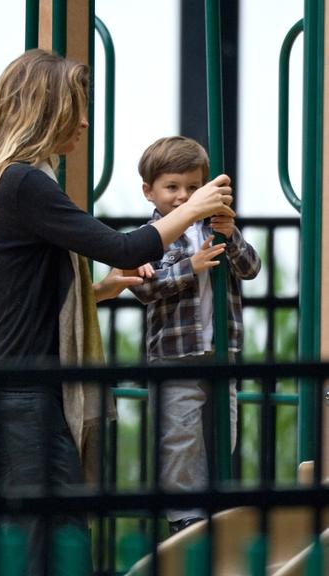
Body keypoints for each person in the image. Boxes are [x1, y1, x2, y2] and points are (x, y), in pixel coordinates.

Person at [0, 50, 234, 575]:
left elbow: (15, 302)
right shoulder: (24, 182)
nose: (84, 120)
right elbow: (126, 248)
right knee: (55, 553)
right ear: (45, 109)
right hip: (21, 403)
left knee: (32, 551)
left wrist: (98, 293)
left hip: (0, 400)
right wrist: (193, 208)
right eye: (75, 106)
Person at [129, 136, 261, 536]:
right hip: (175, 354)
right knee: (179, 433)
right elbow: (145, 287)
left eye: (192, 187)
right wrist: (192, 265)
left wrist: (232, 235)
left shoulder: (216, 228)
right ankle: (185, 514)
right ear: (149, 191)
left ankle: (214, 501)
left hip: (221, 350)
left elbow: (251, 267)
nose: (182, 196)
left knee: (225, 429)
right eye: (172, 187)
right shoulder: (150, 235)